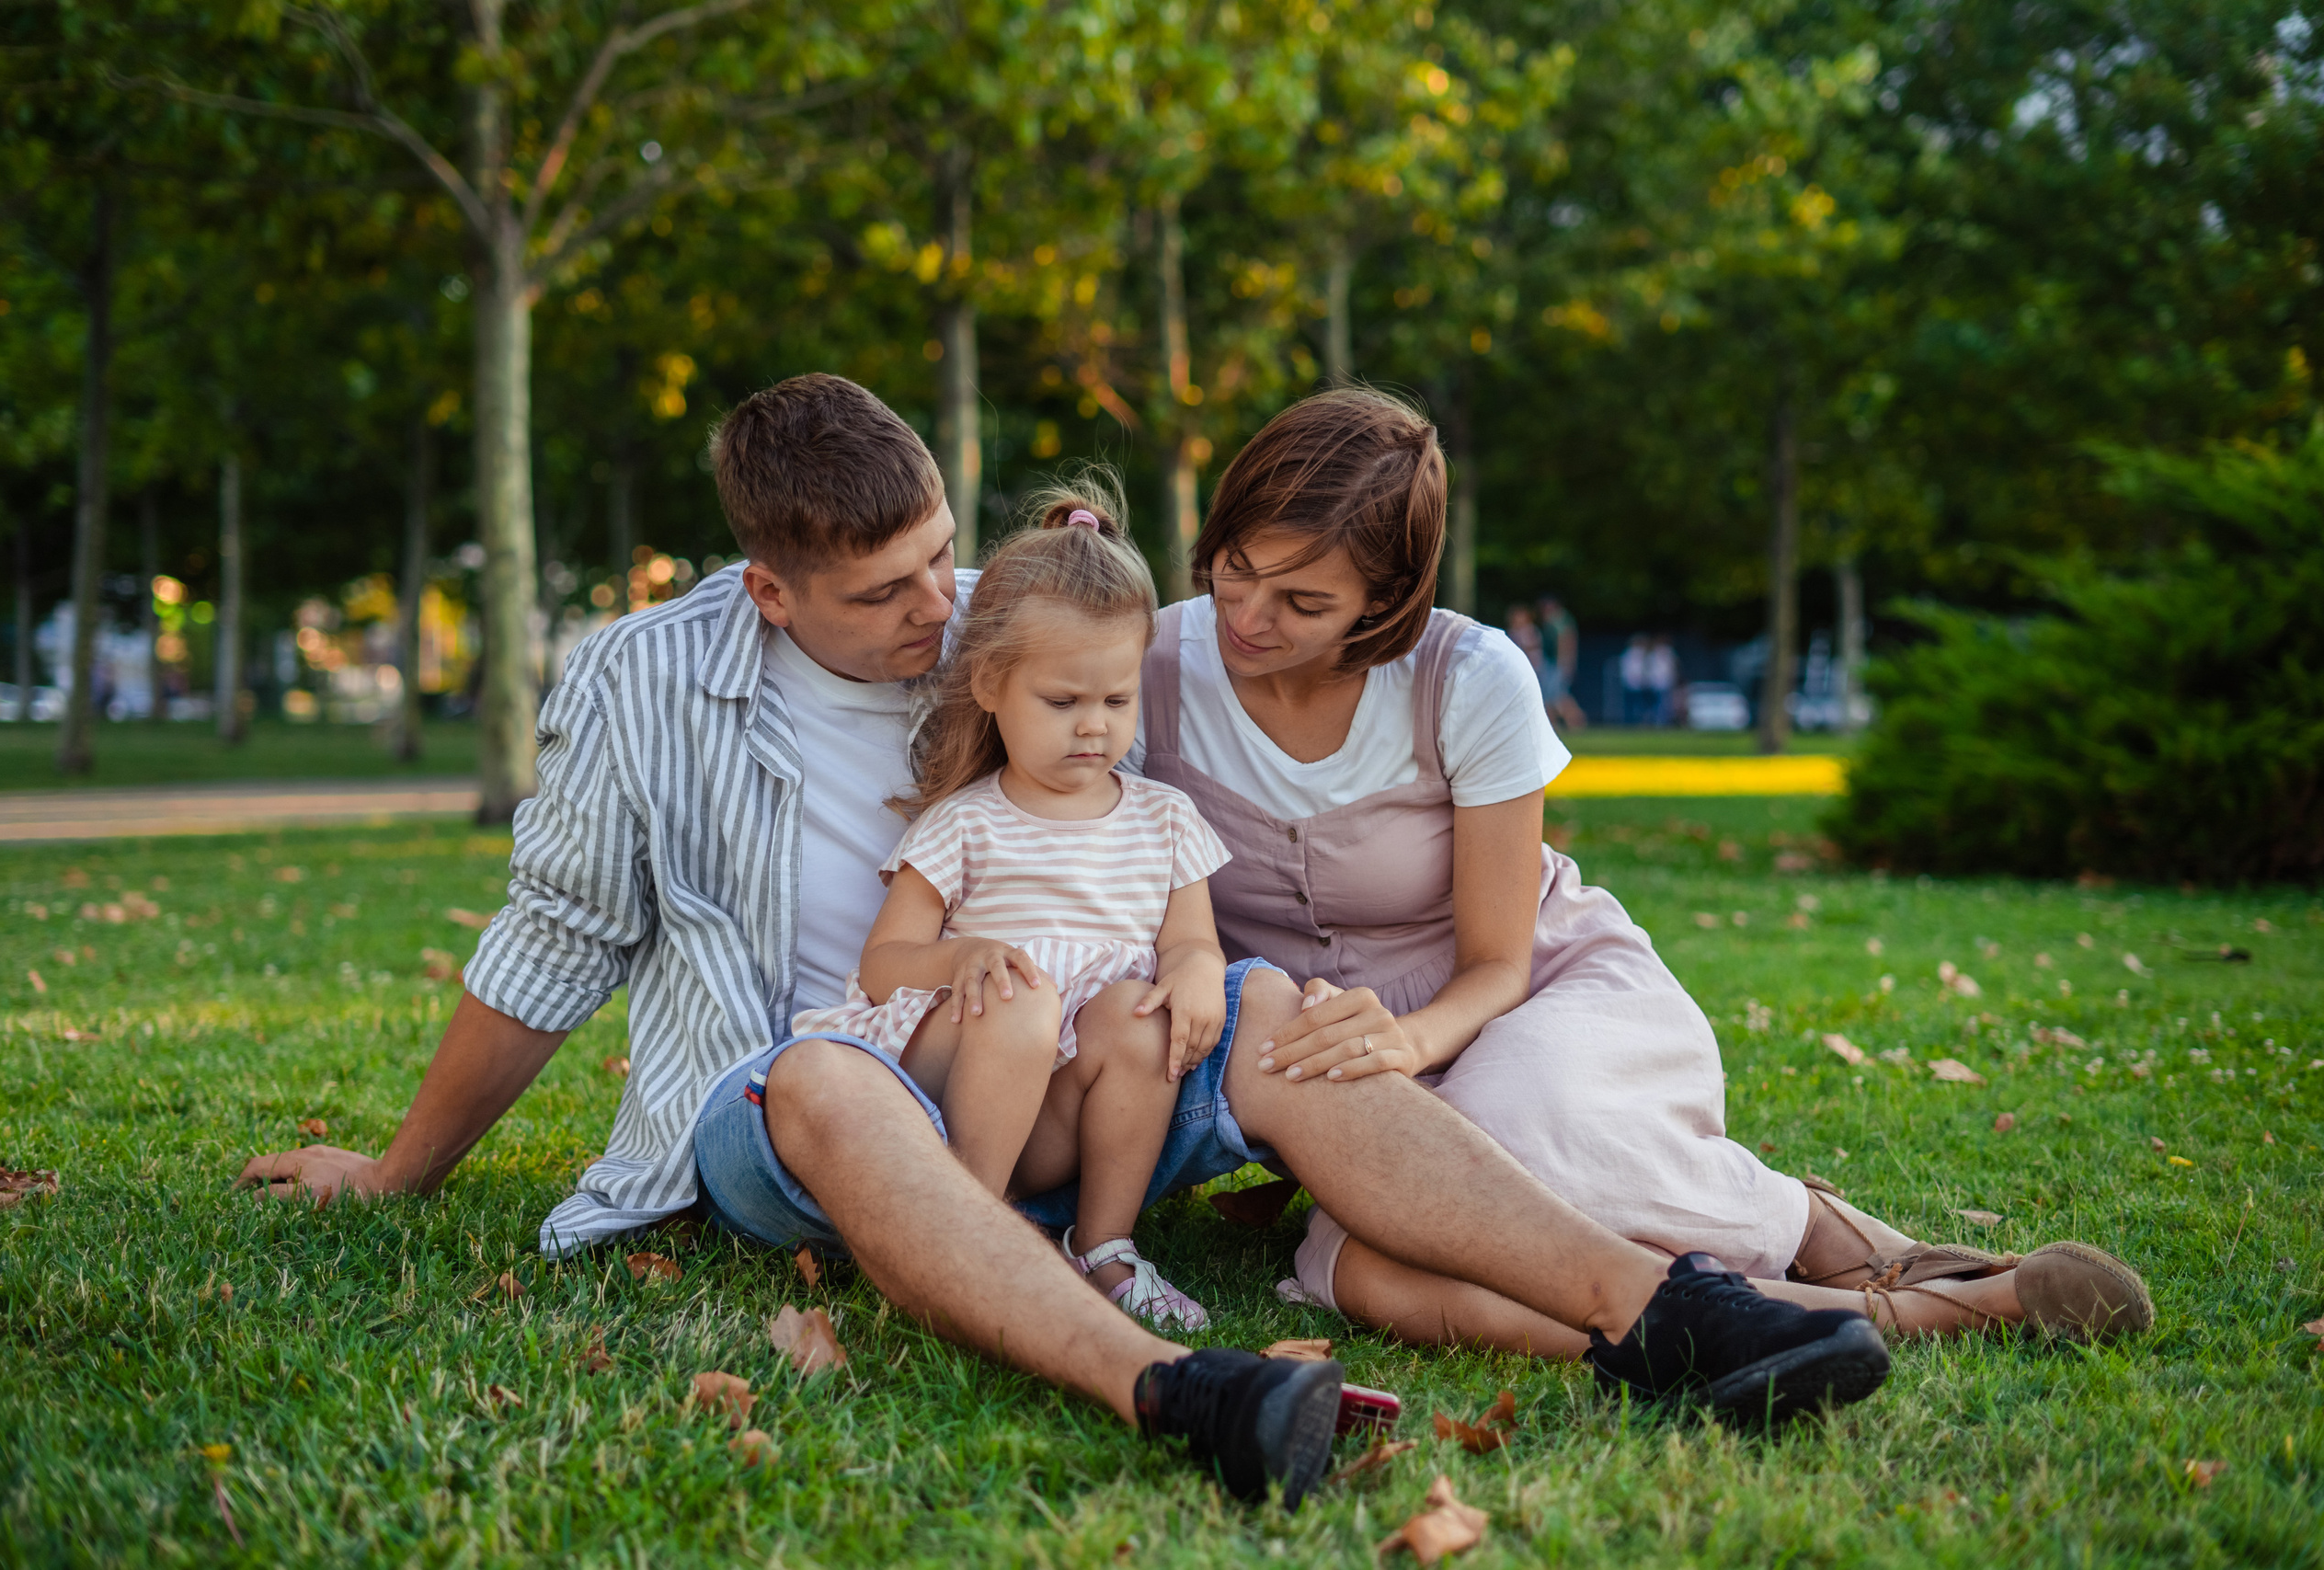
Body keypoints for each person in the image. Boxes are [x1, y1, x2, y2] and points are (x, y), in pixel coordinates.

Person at [235, 374, 1898, 1516]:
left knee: (1262, 1006)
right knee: (825, 1072)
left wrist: (1194, 977)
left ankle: (1670, 1310)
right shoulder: (638, 683)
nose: (939, 610)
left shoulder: (1027, 628)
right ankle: (1182, 1391)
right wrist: (397, 1173)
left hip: (1085, 1074)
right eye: (890, 588)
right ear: (768, 590)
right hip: (837, 1092)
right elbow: (557, 940)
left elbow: (1178, 788)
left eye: (947, 555)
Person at [1130, 387, 2153, 1357]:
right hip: (1330, 1065)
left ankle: (1810, 1223)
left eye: (1303, 600)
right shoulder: (1148, 667)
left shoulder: (1466, 676)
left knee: (1515, 1147)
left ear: (1384, 599)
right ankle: (1909, 1315)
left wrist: (1403, 1044)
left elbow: (1496, 964)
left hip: (1517, 998)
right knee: (1370, 1264)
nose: (1249, 615)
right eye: (1233, 567)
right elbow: (996, 611)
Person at [792, 497, 1228, 1328]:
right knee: (1020, 994)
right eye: (1064, 702)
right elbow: (883, 966)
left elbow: (1193, 943)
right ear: (992, 684)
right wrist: (959, 959)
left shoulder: (1164, 819)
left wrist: (1197, 975)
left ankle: (1105, 1247)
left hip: (1060, 1114)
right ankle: (962, 1239)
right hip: (957, 1077)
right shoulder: (966, 820)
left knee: (1139, 1017)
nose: (1095, 728)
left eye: (1116, 701)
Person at [1536, 595, 1585, 731]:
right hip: (1555, 664)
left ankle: (1576, 722)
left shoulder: (1559, 620)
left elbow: (1565, 642)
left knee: (1557, 696)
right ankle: (1554, 726)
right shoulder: (1558, 620)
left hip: (1557, 664)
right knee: (1554, 696)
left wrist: (1565, 663)